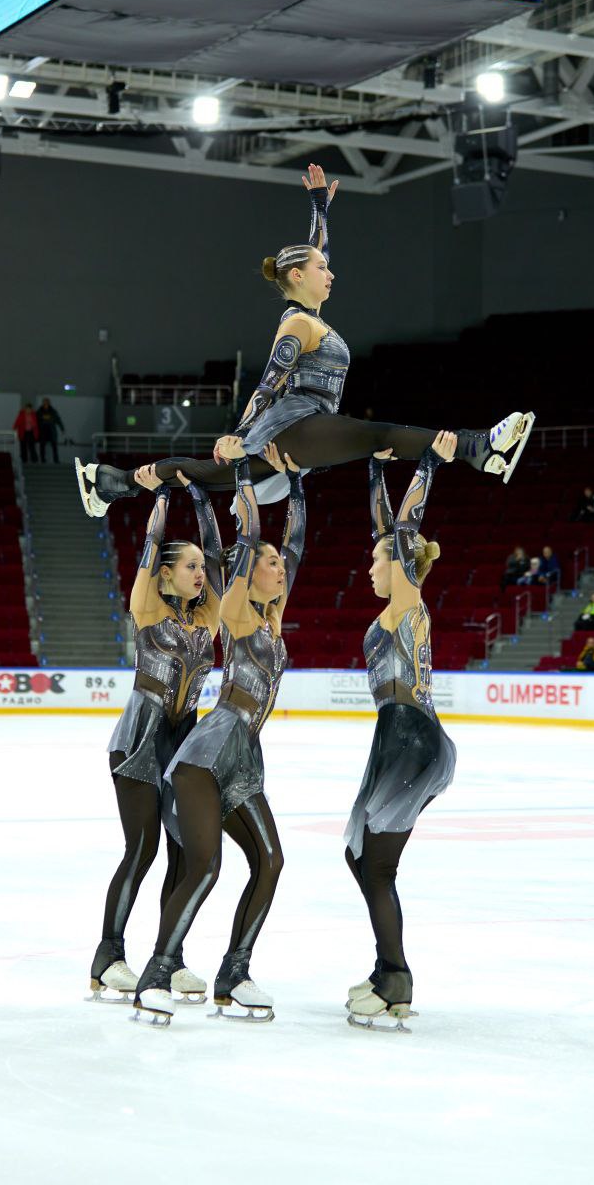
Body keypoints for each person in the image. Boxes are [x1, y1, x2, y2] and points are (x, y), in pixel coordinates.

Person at [75, 164, 535, 518]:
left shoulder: (309, 316)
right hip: (295, 424)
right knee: (378, 435)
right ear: (298, 276)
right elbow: (269, 382)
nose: (331, 273)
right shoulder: (297, 325)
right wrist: (239, 434)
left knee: (206, 474)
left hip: (304, 427)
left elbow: (316, 251)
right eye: (322, 269)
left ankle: (112, 483)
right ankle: (476, 447)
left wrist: (320, 207)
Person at [132, 437, 304, 1027]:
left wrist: (297, 483)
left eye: (279, 563)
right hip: (205, 757)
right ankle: (157, 973)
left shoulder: (273, 616)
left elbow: (295, 545)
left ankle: (235, 971)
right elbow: (249, 537)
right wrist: (244, 477)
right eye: (269, 562)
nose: (280, 567)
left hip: (244, 758)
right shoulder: (234, 610)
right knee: (205, 866)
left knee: (270, 860)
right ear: (247, 570)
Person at [89, 468, 223, 1005]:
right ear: (166, 574)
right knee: (141, 849)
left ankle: (170, 958)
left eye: (200, 567)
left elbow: (219, 559)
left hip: (183, 740)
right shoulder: (147, 606)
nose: (200, 573)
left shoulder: (206, 617)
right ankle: (108, 956)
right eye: (189, 566)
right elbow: (149, 547)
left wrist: (201, 498)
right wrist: (163, 495)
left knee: (182, 852)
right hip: (140, 738)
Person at [345, 435, 457, 1032]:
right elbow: (387, 532)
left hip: (412, 737)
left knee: (376, 866)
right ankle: (386, 969)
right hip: (399, 737)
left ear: (401, 566)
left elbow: (401, 531)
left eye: (377, 561)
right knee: (360, 854)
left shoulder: (407, 603)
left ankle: (395, 978)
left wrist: (428, 464)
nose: (370, 567)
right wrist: (373, 473)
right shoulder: (395, 608)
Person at [37, 397, 65, 463]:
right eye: (44, 402)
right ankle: (43, 460)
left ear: (49, 403)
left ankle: (56, 460)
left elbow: (58, 420)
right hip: (43, 431)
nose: (46, 404)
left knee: (54, 446)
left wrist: (62, 428)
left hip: (51, 431)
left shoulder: (53, 411)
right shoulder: (39, 411)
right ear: (43, 403)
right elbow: (36, 420)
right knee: (42, 446)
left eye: (47, 402)